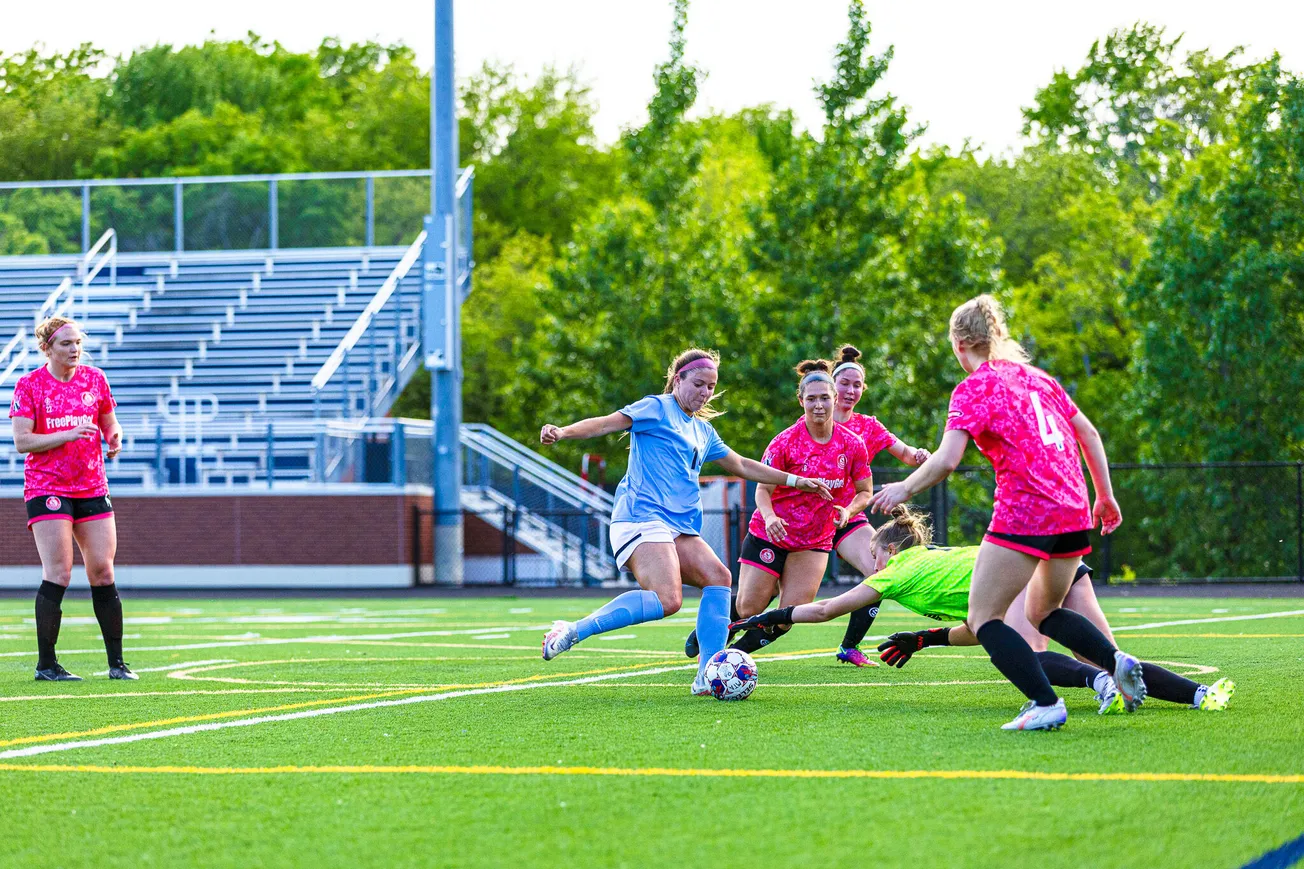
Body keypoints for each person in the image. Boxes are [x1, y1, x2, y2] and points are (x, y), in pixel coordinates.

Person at [867, 294, 1142, 731]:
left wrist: (904, 486)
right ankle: (1114, 660)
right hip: (1072, 507)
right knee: (1042, 612)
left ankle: (1045, 702)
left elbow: (946, 460)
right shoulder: (1038, 378)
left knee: (982, 618)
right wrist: (1104, 496)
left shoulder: (972, 387)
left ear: (960, 345)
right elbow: (1087, 432)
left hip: (1026, 510)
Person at [732, 505, 1234, 714]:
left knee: (1030, 659)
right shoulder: (933, 559)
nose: (871, 566)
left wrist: (766, 618)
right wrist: (925, 639)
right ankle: (1199, 695)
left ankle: (1090, 688)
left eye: (873, 557)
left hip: (1020, 578)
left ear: (886, 550)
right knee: (1109, 655)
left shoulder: (895, 571)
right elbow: (979, 626)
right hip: (1049, 565)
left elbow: (824, 611)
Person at [537, 347, 832, 696]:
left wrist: (796, 480)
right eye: (698, 384)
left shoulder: (703, 431)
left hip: (677, 527)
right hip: (641, 517)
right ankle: (572, 630)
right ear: (678, 380)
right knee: (668, 599)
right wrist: (564, 432)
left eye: (711, 386)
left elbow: (742, 465)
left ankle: (706, 675)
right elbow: (604, 423)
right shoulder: (656, 407)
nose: (705, 392)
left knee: (719, 578)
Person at [9, 316, 135, 682]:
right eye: (66, 344)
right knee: (59, 573)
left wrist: (115, 438)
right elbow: (22, 441)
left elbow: (110, 421)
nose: (75, 349)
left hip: (92, 485)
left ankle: (117, 663)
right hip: (47, 487)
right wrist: (66, 434)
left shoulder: (95, 379)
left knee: (103, 571)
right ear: (47, 348)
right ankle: (46, 665)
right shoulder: (30, 384)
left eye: (78, 342)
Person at [717, 360, 872, 655]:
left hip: (814, 539)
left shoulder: (852, 444)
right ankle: (723, 625)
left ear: (835, 399)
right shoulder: (784, 442)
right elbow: (763, 490)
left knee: (791, 612)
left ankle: (734, 657)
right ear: (800, 400)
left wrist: (848, 511)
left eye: (825, 398)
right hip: (771, 532)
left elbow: (865, 491)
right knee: (749, 606)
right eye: (811, 398)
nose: (818, 405)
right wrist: (771, 516)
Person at [824, 344, 932, 668]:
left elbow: (907, 453)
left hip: (849, 516)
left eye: (857, 385)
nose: (851, 390)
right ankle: (726, 625)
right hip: (809, 518)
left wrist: (921, 456)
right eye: (845, 383)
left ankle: (849, 646)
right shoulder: (814, 421)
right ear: (831, 385)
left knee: (879, 570)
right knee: (769, 594)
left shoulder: (869, 426)